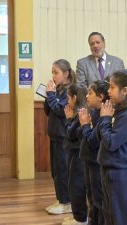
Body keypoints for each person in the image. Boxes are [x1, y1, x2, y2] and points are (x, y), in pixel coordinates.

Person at [95, 69, 127, 225]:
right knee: (109, 212)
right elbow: (103, 137)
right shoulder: (121, 111)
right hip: (112, 168)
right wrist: (104, 118)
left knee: (118, 216)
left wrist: (105, 119)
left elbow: (111, 143)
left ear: (125, 91)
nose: (108, 91)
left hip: (119, 172)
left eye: (112, 87)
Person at [44, 59, 75, 215]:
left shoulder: (69, 91)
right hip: (55, 136)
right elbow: (48, 111)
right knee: (56, 171)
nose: (53, 75)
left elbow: (60, 110)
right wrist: (48, 94)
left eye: (56, 72)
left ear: (66, 74)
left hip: (63, 137)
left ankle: (67, 202)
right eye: (52, 72)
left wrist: (51, 95)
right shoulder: (59, 89)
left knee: (63, 170)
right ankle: (60, 198)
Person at [78, 80, 109, 225]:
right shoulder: (94, 112)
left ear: (101, 97)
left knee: (98, 199)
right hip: (89, 160)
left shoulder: (102, 116)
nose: (87, 97)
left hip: (96, 163)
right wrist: (82, 124)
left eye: (90, 93)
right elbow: (83, 135)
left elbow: (93, 141)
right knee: (91, 196)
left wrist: (85, 125)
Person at [62, 84, 88, 225]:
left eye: (68, 98)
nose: (67, 101)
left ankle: (80, 219)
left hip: (78, 154)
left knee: (76, 186)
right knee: (75, 185)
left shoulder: (80, 112)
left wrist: (69, 119)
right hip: (76, 153)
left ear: (74, 98)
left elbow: (71, 134)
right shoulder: (81, 110)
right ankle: (79, 216)